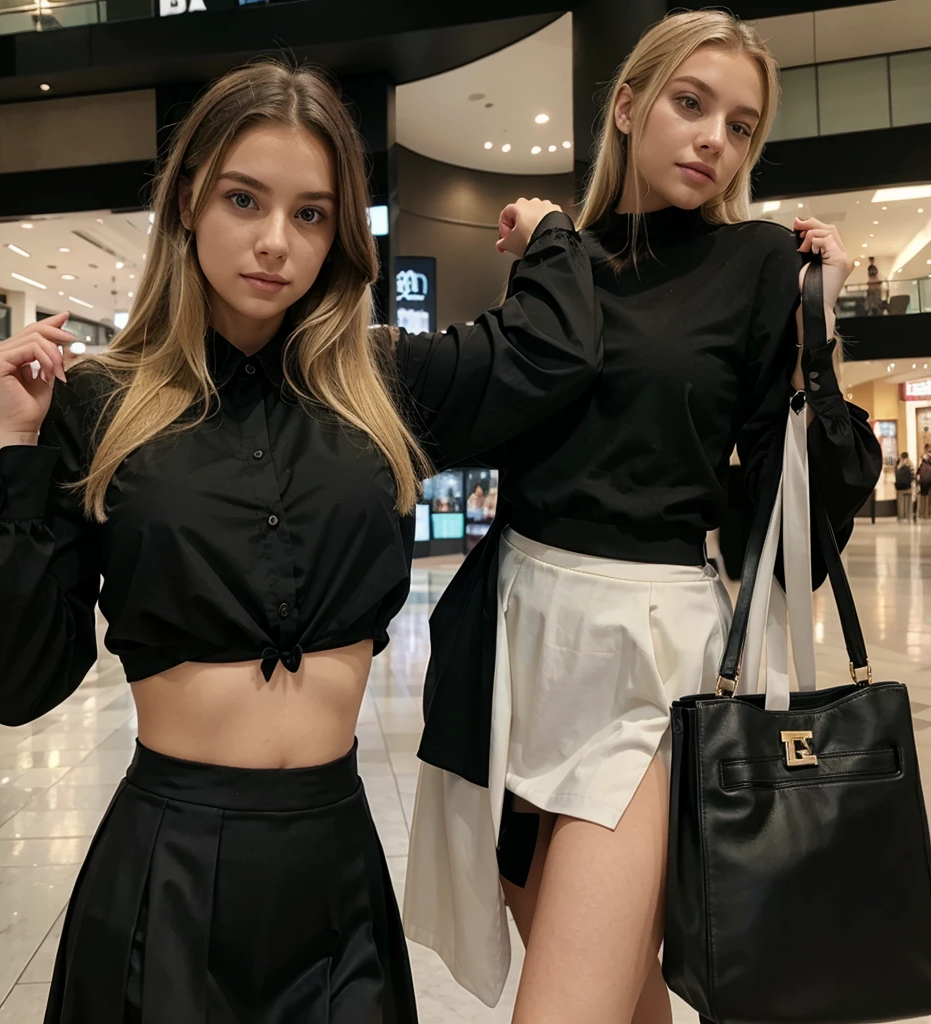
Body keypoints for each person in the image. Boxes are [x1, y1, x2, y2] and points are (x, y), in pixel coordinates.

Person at [0, 60, 599, 1023]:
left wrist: (548, 237)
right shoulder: (102, 402)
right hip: (166, 867)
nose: (275, 243)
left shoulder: (384, 385)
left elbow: (553, 354)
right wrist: (20, 447)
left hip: (337, 863)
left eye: (312, 214)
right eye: (245, 199)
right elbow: (12, 674)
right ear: (191, 202)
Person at [404, 11, 882, 1022]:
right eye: (690, 103)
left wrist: (816, 329)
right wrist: (542, 246)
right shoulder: (560, 256)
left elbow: (791, 516)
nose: (713, 137)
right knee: (619, 997)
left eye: (740, 126)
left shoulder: (755, 263)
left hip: (648, 666)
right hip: (515, 649)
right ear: (627, 107)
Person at [896, 452, 915, 522]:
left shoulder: (899, 465)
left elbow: (896, 475)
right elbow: (913, 477)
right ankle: (909, 516)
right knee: (909, 502)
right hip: (908, 487)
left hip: (900, 488)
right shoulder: (911, 464)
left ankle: (900, 517)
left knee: (900, 502)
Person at [918, 452, 931, 520]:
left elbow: (918, 475)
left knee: (922, 500)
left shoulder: (921, 467)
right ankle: (927, 514)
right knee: (928, 501)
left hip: (922, 486)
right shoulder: (929, 467)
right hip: (929, 486)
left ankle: (921, 514)